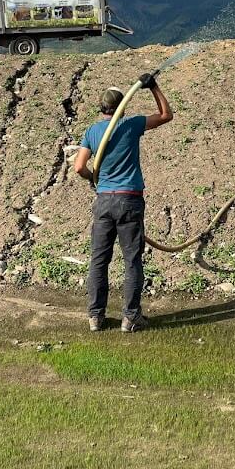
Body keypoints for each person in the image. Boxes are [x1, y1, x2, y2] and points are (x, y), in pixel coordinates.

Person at [74, 74, 174, 332]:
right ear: (122, 107)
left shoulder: (92, 131)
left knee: (99, 260)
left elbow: (78, 167)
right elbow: (166, 115)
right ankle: (130, 318)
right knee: (132, 261)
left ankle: (95, 317)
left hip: (104, 202)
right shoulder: (131, 124)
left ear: (101, 108)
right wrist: (154, 87)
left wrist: (92, 178)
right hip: (129, 200)